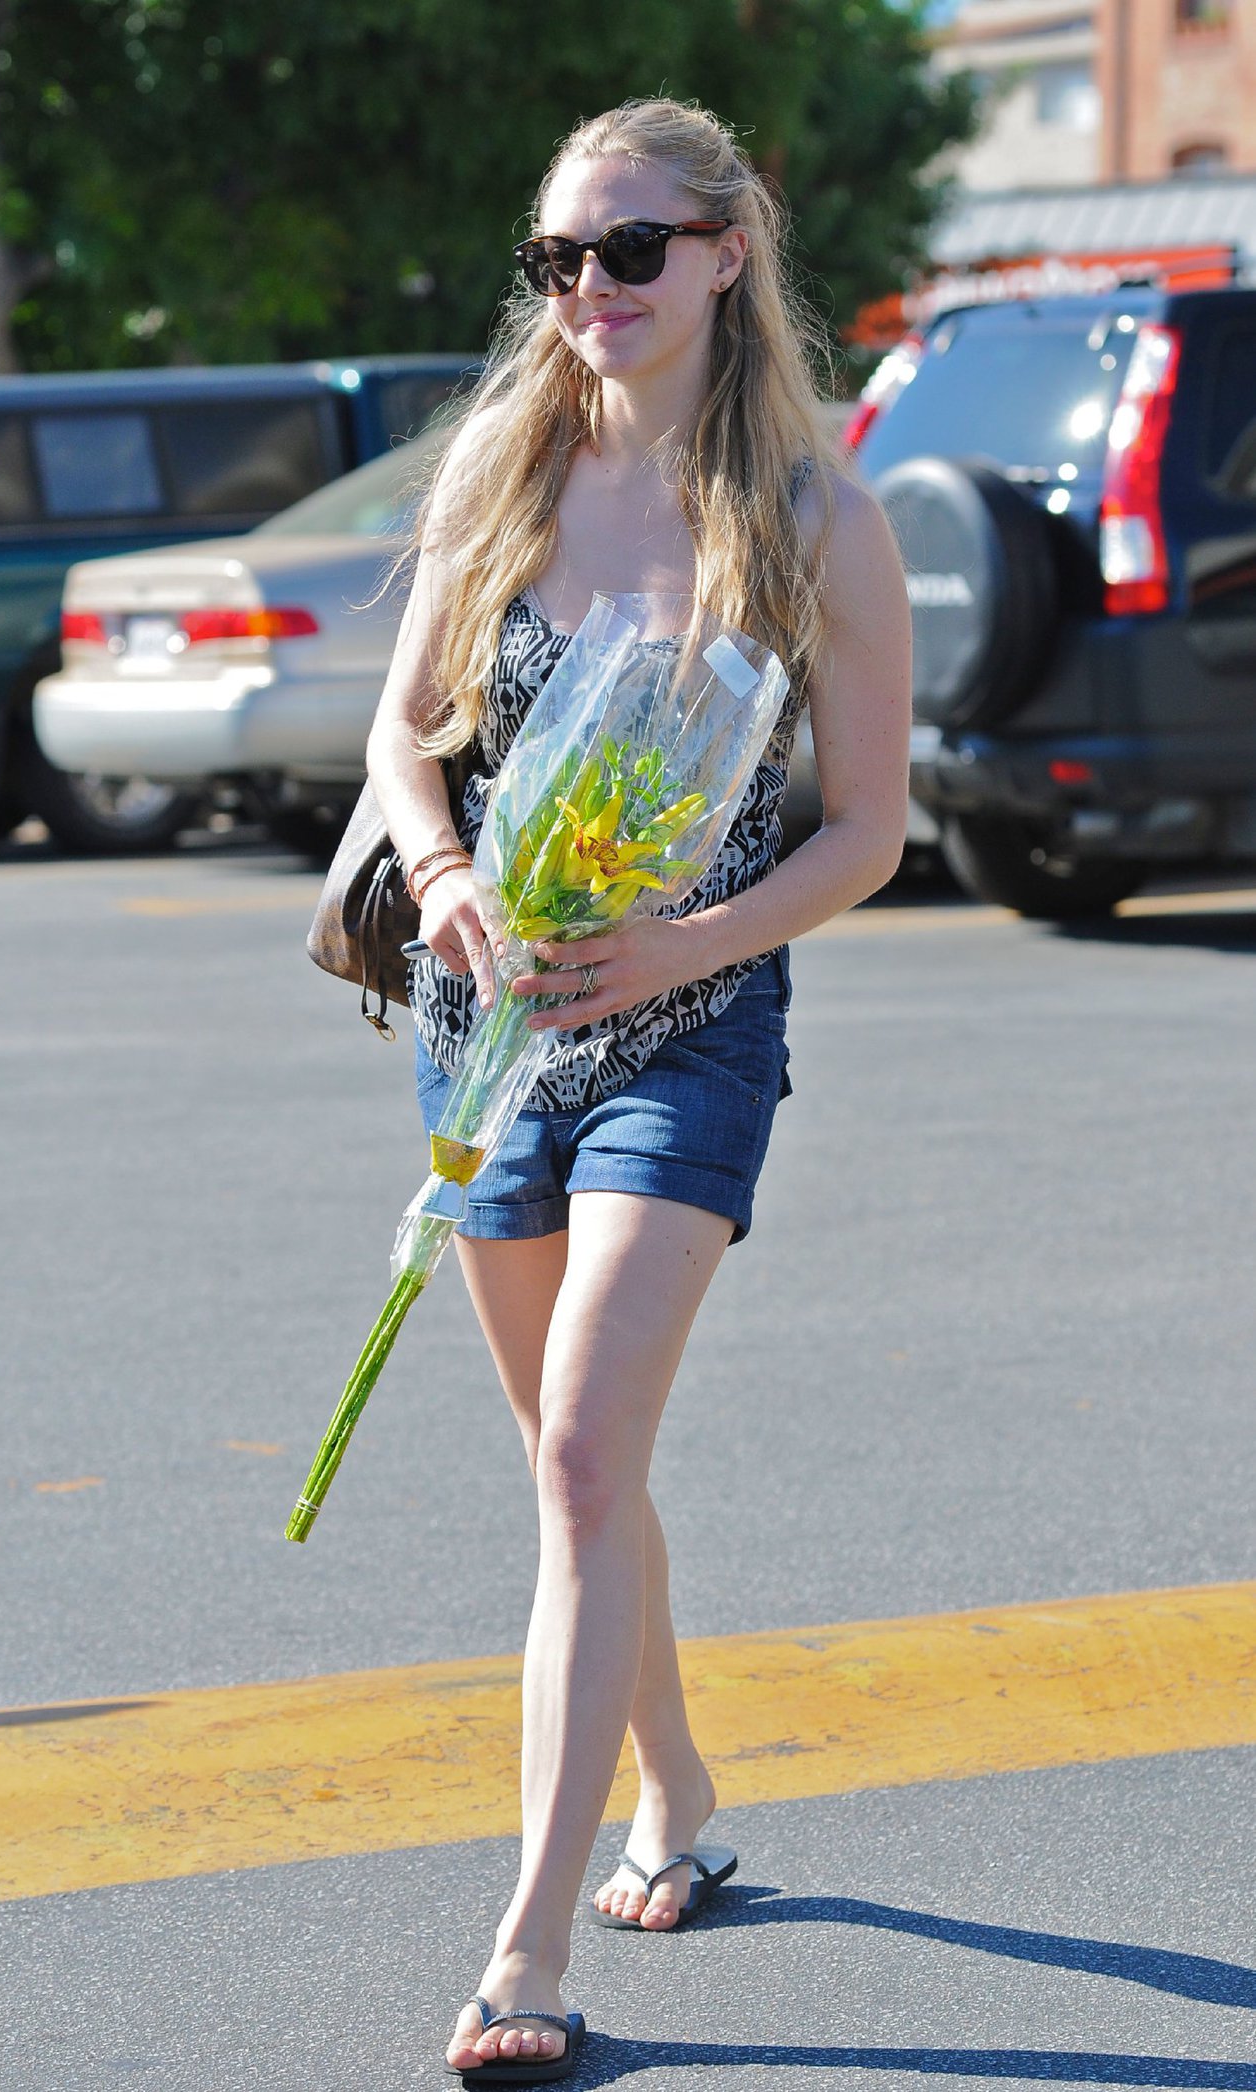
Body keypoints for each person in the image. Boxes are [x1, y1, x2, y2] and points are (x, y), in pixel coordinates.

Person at [366, 96, 912, 2085]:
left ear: (726, 252)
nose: (585, 289)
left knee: (588, 1448)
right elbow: (401, 743)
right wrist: (442, 880)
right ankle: (674, 1784)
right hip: (495, 1028)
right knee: (565, 1464)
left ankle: (522, 1948)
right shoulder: (502, 468)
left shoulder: (815, 519)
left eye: (625, 250)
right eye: (557, 258)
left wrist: (689, 941)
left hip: (689, 1025)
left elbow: (865, 830)